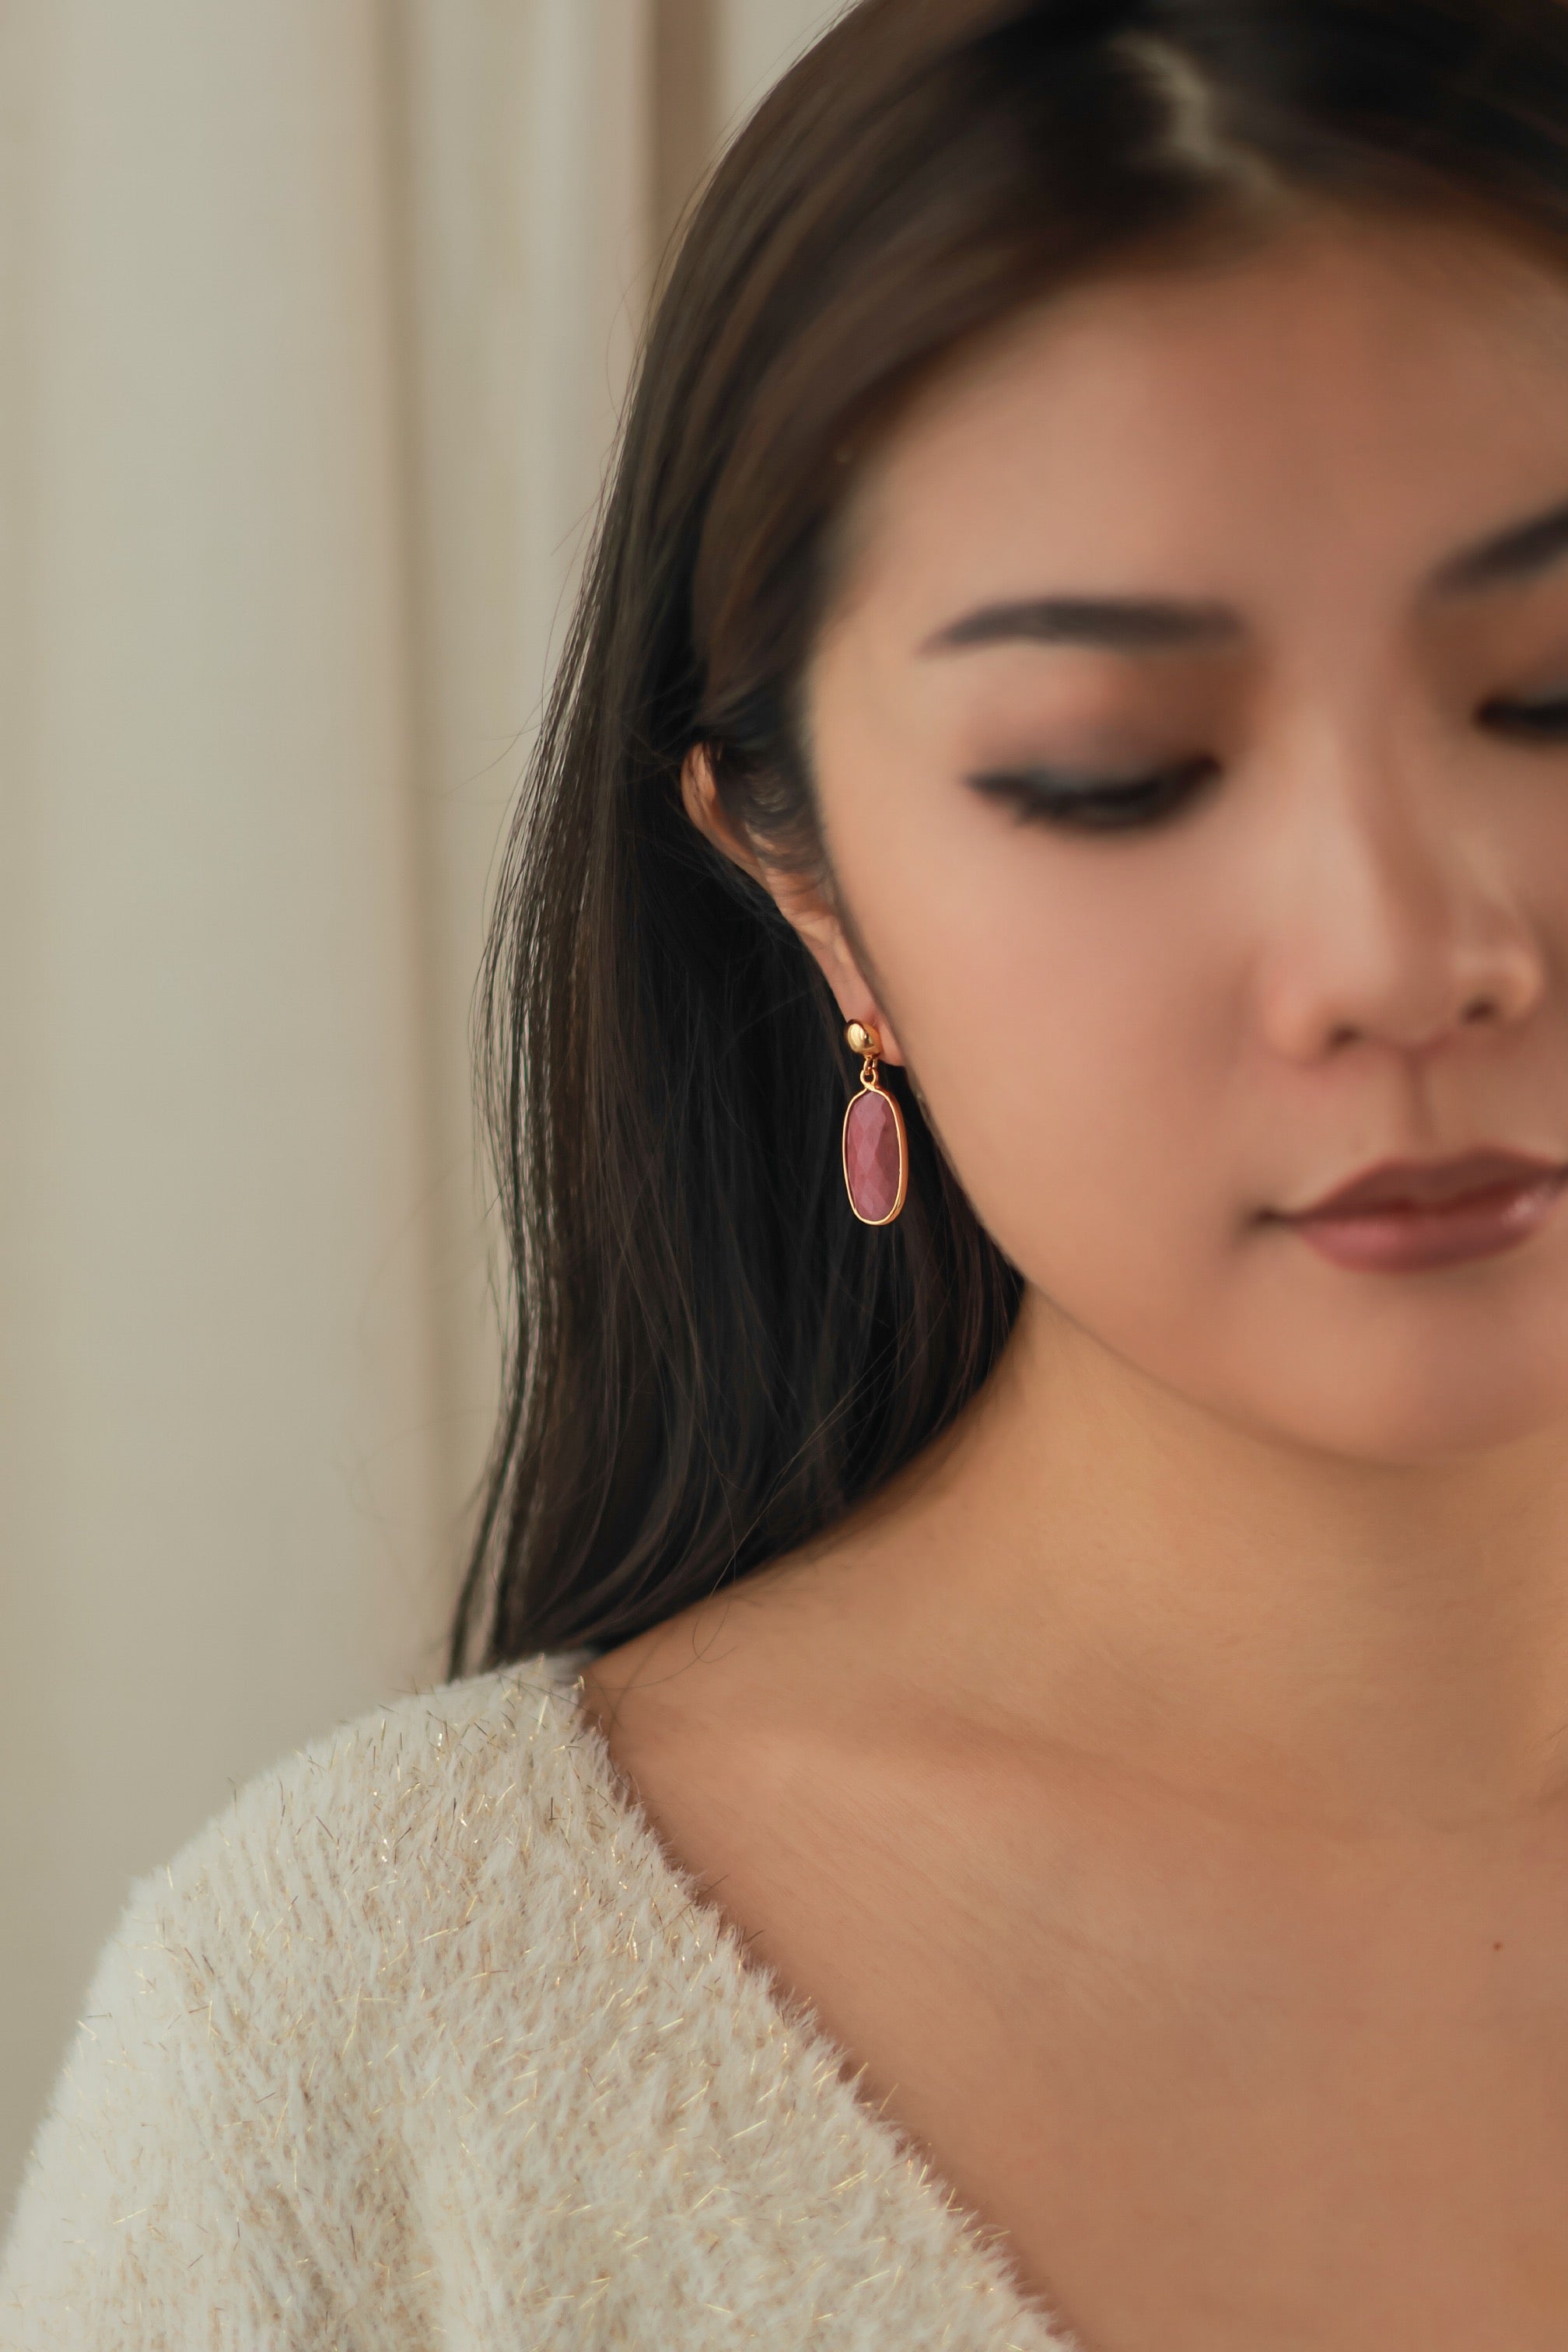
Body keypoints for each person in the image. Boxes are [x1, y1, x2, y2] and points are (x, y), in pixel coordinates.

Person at [10, 1, 1568, 2342]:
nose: (1410, 952)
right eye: (1113, 768)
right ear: (804, 881)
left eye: (1554, 692)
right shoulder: (359, 2055)